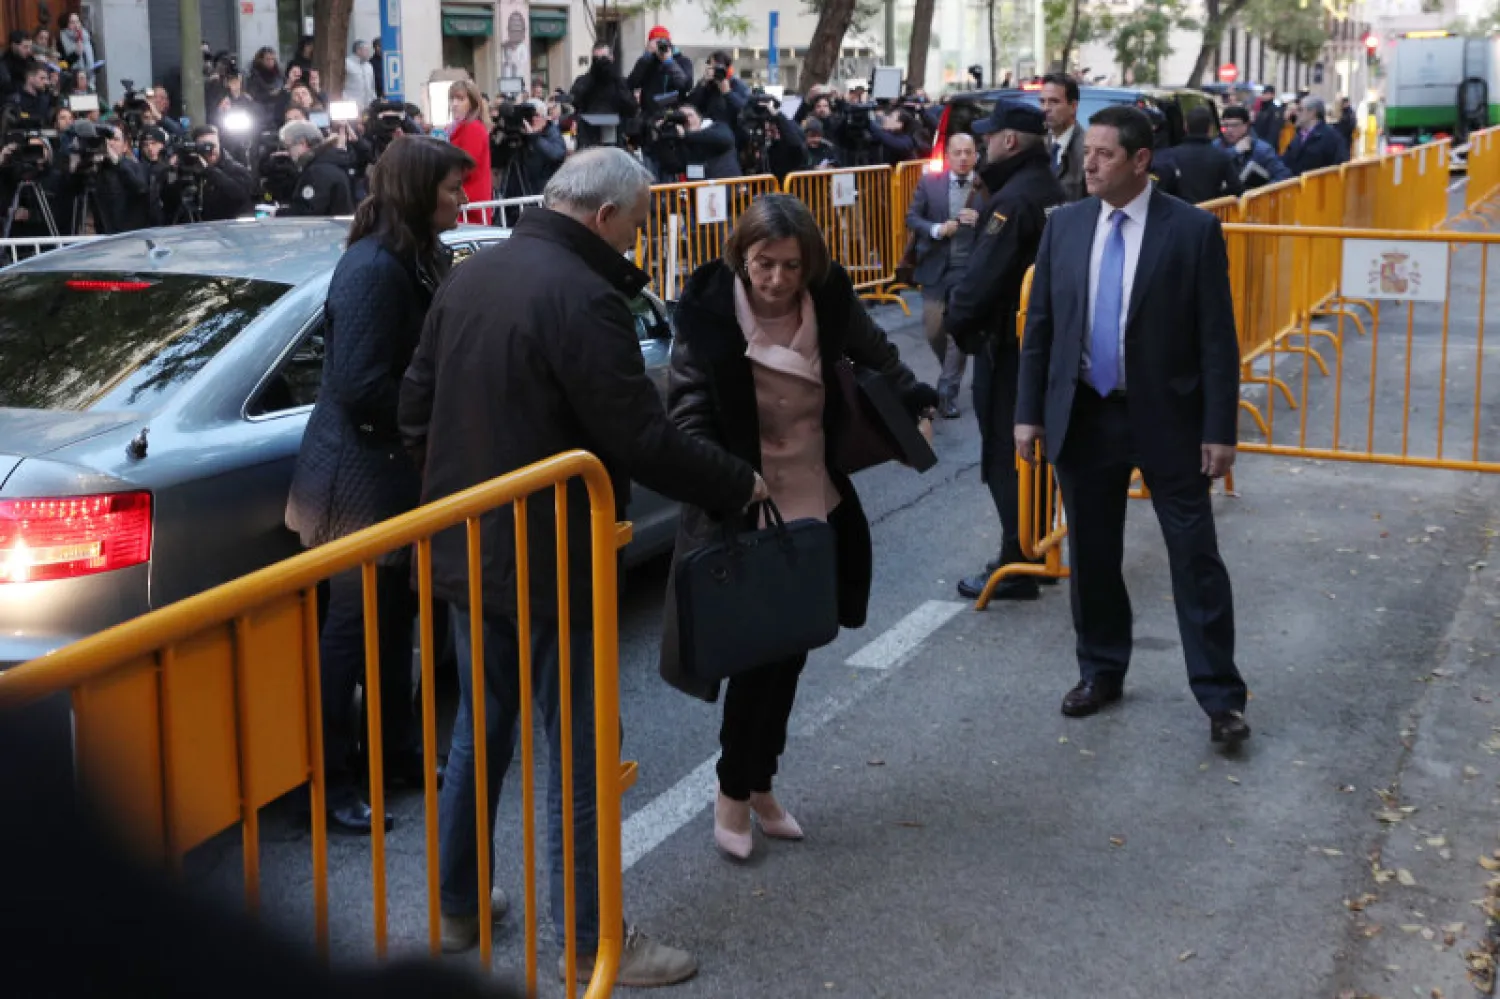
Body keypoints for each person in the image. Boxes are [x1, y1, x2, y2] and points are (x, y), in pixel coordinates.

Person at [399, 147, 766, 983]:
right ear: (604, 216)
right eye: (635, 222)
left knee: (479, 733)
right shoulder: (585, 296)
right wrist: (736, 480)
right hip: (552, 558)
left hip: (465, 547)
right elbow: (641, 435)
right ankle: (593, 938)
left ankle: (459, 908)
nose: (635, 237)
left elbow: (413, 406)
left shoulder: (472, 274)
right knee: (581, 755)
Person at [662, 194, 938, 864]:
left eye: (790, 264)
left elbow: (880, 358)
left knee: (794, 651)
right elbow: (687, 413)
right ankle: (733, 789)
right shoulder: (706, 317)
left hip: (816, 504)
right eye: (764, 264)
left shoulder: (830, 300)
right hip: (745, 508)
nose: (778, 279)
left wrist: (916, 405)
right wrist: (730, 479)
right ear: (741, 257)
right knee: (758, 658)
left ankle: (761, 784)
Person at [1013, 105, 1250, 745]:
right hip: (1085, 415)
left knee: (1194, 557)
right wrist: (1028, 414)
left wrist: (1219, 429)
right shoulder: (1064, 227)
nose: (1088, 163)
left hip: (1169, 420)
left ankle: (1221, 698)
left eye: (1104, 154)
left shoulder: (1192, 231)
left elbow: (1217, 340)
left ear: (1141, 160)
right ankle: (1101, 670)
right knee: (1093, 556)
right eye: (1086, 151)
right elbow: (1041, 331)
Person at [285, 137, 473, 835]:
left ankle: (392, 756)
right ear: (419, 191)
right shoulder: (373, 268)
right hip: (355, 480)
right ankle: (330, 783)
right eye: (452, 189)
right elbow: (360, 384)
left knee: (393, 626)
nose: (461, 199)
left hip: (384, 472)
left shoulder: (411, 257)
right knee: (351, 633)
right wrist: (434, 414)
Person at [944, 101, 1065, 603]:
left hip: (1012, 347)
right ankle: (1032, 552)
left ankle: (1020, 559)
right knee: (1034, 453)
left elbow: (979, 284)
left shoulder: (1011, 202)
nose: (985, 145)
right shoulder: (1049, 190)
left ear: (1010, 141)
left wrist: (957, 321)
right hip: (1042, 343)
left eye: (990, 137)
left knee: (1007, 455)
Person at [905, 130, 984, 419]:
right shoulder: (930, 182)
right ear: (948, 156)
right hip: (936, 267)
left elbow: (1003, 218)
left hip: (970, 269)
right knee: (934, 329)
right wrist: (938, 229)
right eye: (957, 153)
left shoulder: (986, 186)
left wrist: (982, 219)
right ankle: (949, 372)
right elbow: (911, 217)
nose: (963, 158)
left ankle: (947, 391)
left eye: (968, 152)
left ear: (976, 154)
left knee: (956, 332)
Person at [1154, 106, 1241, 204]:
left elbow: (1161, 189)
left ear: (1186, 127)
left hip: (1180, 214)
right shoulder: (1222, 156)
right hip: (1212, 212)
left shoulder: (1170, 156)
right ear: (1210, 129)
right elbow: (1236, 188)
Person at [569, 42, 638, 149]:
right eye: (597, 59)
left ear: (612, 58)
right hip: (589, 138)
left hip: (615, 138)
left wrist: (615, 77)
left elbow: (631, 108)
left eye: (604, 58)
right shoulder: (583, 81)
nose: (601, 63)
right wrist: (592, 75)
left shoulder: (619, 82)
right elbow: (575, 100)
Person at [279, 120, 354, 216]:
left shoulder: (317, 171)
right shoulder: (330, 162)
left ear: (303, 143)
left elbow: (310, 212)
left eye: (288, 147)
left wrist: (278, 213)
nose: (288, 152)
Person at [502, 99, 567, 200]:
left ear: (545, 118)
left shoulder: (551, 132)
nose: (531, 120)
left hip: (542, 193)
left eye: (536, 115)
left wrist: (534, 137)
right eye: (527, 117)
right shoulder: (519, 135)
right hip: (517, 196)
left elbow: (557, 154)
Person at [93, 124, 153, 233]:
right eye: (107, 139)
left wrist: (117, 162)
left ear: (125, 146)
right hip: (104, 236)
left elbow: (141, 188)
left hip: (130, 234)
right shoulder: (97, 168)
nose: (110, 143)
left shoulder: (136, 166)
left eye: (115, 139)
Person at [446, 78, 492, 218]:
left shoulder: (472, 128)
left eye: (460, 99)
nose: (454, 104)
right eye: (452, 99)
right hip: (465, 203)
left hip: (470, 205)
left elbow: (466, 166)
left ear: (472, 103)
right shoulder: (463, 127)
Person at [1217, 105, 1290, 190]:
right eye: (1225, 126)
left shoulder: (1262, 149)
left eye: (1234, 125)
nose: (1229, 130)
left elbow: (1283, 176)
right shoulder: (1216, 145)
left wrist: (1259, 192)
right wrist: (1235, 151)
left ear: (1246, 126)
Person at [1039, 72, 1087, 202]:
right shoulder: (1037, 146)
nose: (1045, 108)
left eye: (1054, 102)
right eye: (1042, 101)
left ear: (1073, 106)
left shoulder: (1087, 150)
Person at [627, 26, 691, 120]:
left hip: (674, 113)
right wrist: (646, 57)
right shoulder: (646, 62)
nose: (660, 46)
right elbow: (631, 84)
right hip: (649, 115)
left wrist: (669, 62)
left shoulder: (682, 61)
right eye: (656, 42)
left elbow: (685, 85)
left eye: (663, 42)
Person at [1282, 95, 1348, 174]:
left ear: (1312, 113)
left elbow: (1340, 167)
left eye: (1300, 110)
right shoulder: (1299, 136)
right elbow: (1285, 162)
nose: (1296, 114)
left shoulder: (1331, 137)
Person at [678, 102, 739, 180]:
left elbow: (724, 140)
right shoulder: (682, 139)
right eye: (682, 117)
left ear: (699, 117)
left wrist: (686, 135)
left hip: (726, 186)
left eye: (690, 115)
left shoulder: (717, 127)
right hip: (699, 187)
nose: (687, 120)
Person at [58, 13, 94, 83]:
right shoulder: (61, 41)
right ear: (66, 25)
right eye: (72, 22)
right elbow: (61, 65)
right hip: (71, 81)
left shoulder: (86, 37)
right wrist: (75, 55)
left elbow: (93, 58)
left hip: (89, 80)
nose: (76, 25)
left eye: (77, 21)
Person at [344, 40, 379, 113]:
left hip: (367, 106)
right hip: (351, 106)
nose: (369, 53)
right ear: (358, 50)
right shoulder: (346, 64)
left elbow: (372, 87)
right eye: (366, 50)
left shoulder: (369, 66)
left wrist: (374, 101)